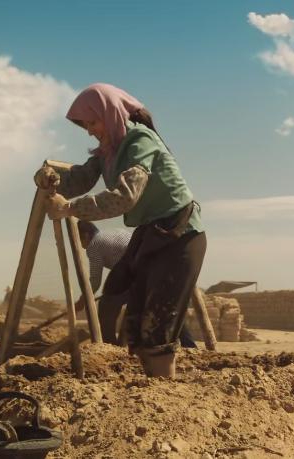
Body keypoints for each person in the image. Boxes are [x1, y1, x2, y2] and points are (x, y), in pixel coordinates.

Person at [34, 83, 206, 378]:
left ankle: (163, 394)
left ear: (111, 113)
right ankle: (151, 387)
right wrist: (49, 177)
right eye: (85, 125)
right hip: (150, 233)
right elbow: (80, 179)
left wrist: (70, 209)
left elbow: (125, 196)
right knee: (128, 309)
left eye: (92, 122)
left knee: (157, 330)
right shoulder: (107, 152)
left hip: (179, 234)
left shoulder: (139, 140)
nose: (89, 130)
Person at [75, 220, 198, 348]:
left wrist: (82, 301)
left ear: (86, 235)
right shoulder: (113, 232)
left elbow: (94, 281)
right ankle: (189, 345)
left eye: (80, 240)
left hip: (137, 273)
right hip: (154, 269)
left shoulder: (94, 245)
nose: (82, 245)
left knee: (107, 305)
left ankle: (109, 346)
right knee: (164, 308)